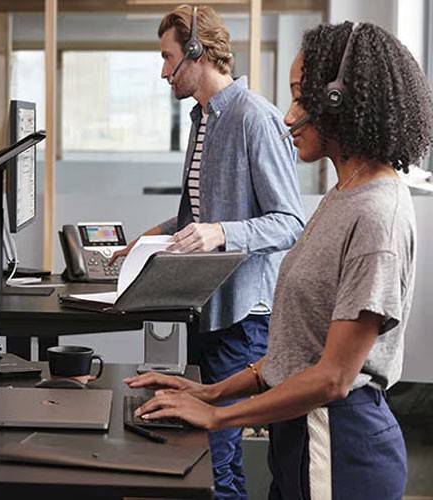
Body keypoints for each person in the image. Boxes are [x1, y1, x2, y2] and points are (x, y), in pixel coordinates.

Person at [126, 20, 432, 500]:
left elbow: (333, 378)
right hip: (301, 441)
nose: (288, 117)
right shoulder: (343, 195)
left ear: (338, 100)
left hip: (339, 448)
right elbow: (299, 351)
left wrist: (219, 417)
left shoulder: (378, 214)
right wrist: (212, 390)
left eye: (300, 96)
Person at [111, 5, 304, 499]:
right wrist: (147, 238)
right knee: (207, 452)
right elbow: (197, 214)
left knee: (217, 455)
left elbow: (289, 223)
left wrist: (221, 232)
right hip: (207, 307)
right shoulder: (205, 120)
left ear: (197, 53)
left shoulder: (253, 118)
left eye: (167, 57)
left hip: (245, 316)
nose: (162, 71)